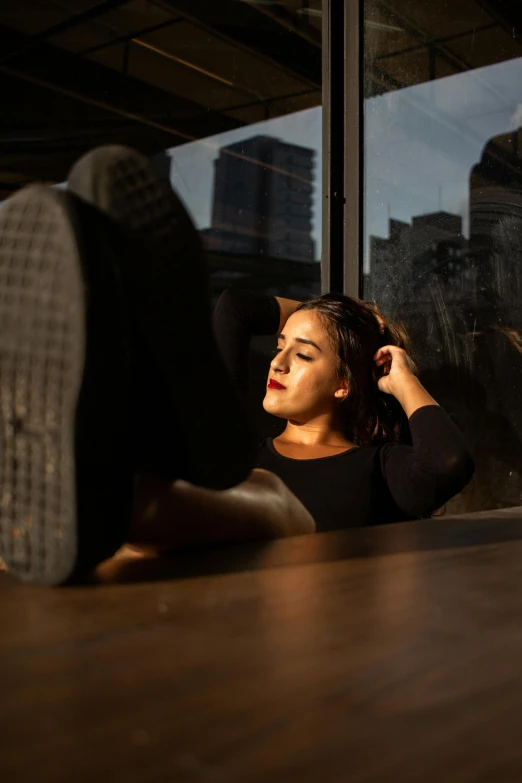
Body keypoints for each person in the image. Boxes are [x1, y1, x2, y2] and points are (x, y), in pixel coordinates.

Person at [0, 146, 473, 586]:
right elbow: (235, 309)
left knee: (271, 503)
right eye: (280, 345)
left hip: (285, 603)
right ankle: (110, 467)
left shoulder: (379, 467)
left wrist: (399, 373)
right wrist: (331, 312)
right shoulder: (244, 449)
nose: (279, 360)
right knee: (216, 483)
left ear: (345, 384)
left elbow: (447, 463)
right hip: (176, 571)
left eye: (303, 354)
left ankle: (106, 455)